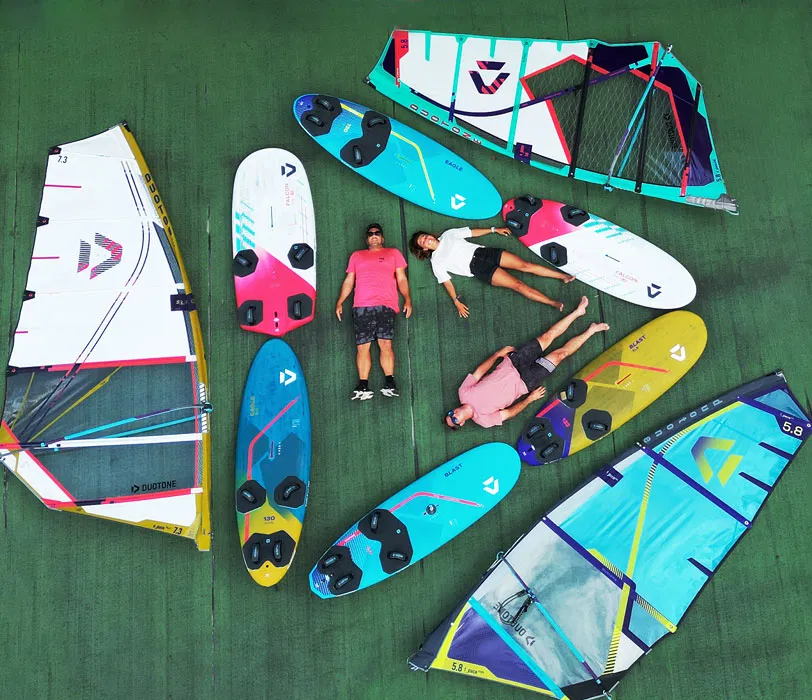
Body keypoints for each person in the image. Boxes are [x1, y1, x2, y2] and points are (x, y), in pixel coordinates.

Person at [444, 296, 609, 429]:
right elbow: (509, 413)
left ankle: (578, 312)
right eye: (455, 420)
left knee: (547, 337)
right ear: (462, 423)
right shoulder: (484, 420)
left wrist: (497, 354)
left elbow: (479, 371)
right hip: (526, 381)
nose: (454, 415)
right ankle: (592, 330)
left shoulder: (463, 393)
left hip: (513, 362)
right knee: (560, 355)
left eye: (451, 414)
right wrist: (530, 399)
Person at [408, 226, 574, 317]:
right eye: (422, 241)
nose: (426, 239)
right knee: (518, 285)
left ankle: (563, 276)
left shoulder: (448, 234)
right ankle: (552, 303)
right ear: (424, 248)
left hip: (484, 253)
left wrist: (494, 229)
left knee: (526, 265)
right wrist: (456, 300)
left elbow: (472, 233)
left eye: (424, 236)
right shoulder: (436, 261)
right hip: (479, 269)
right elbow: (446, 282)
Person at [336, 223, 412, 401]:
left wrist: (408, 299)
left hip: (386, 304)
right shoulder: (357, 256)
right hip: (361, 305)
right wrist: (340, 301)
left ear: (382, 238)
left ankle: (390, 383)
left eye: (377, 233)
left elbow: (401, 278)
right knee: (363, 347)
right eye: (370, 234)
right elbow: (349, 281)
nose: (374, 235)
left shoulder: (393, 253)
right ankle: (363, 386)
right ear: (367, 239)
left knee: (385, 344)